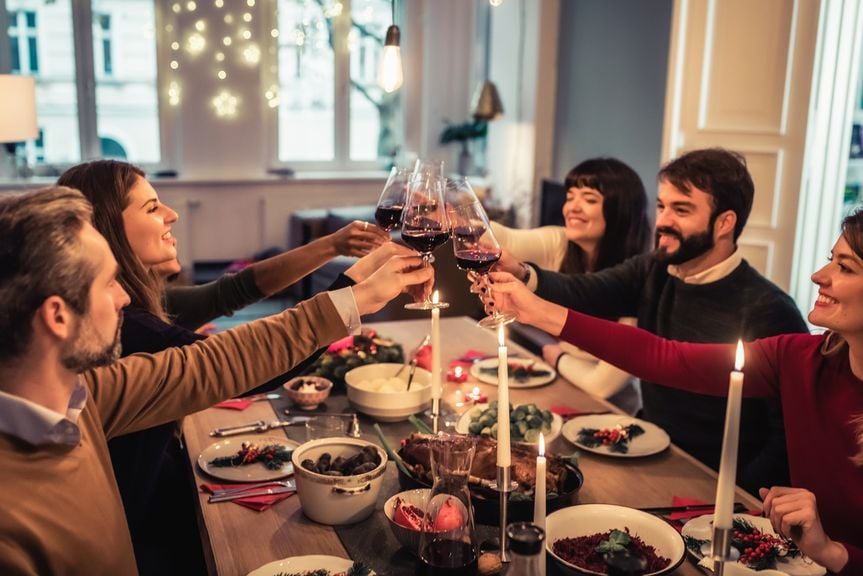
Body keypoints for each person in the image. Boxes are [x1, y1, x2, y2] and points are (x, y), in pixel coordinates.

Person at [0, 186, 432, 575]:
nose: (124, 296)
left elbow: (216, 362)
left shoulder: (86, 398)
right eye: (108, 282)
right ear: (57, 316)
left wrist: (358, 293)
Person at [485, 210, 863, 575]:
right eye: (831, 260)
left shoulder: (773, 315)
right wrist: (534, 310)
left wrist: (833, 551)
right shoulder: (801, 357)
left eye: (845, 267)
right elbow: (664, 357)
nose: (818, 275)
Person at [491, 148, 807, 494]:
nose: (663, 221)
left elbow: (791, 438)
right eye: (661, 206)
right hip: (649, 453)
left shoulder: (770, 310)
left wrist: (739, 493)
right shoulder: (655, 269)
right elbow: (587, 291)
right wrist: (522, 273)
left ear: (725, 222)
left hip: (717, 484)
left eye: (681, 209)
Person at [489, 157, 651, 414]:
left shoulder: (639, 282)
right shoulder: (561, 243)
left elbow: (601, 385)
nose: (572, 207)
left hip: (611, 415)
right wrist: (453, 212)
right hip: (561, 393)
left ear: (621, 210)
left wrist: (558, 357)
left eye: (589, 199)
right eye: (570, 196)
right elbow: (502, 238)